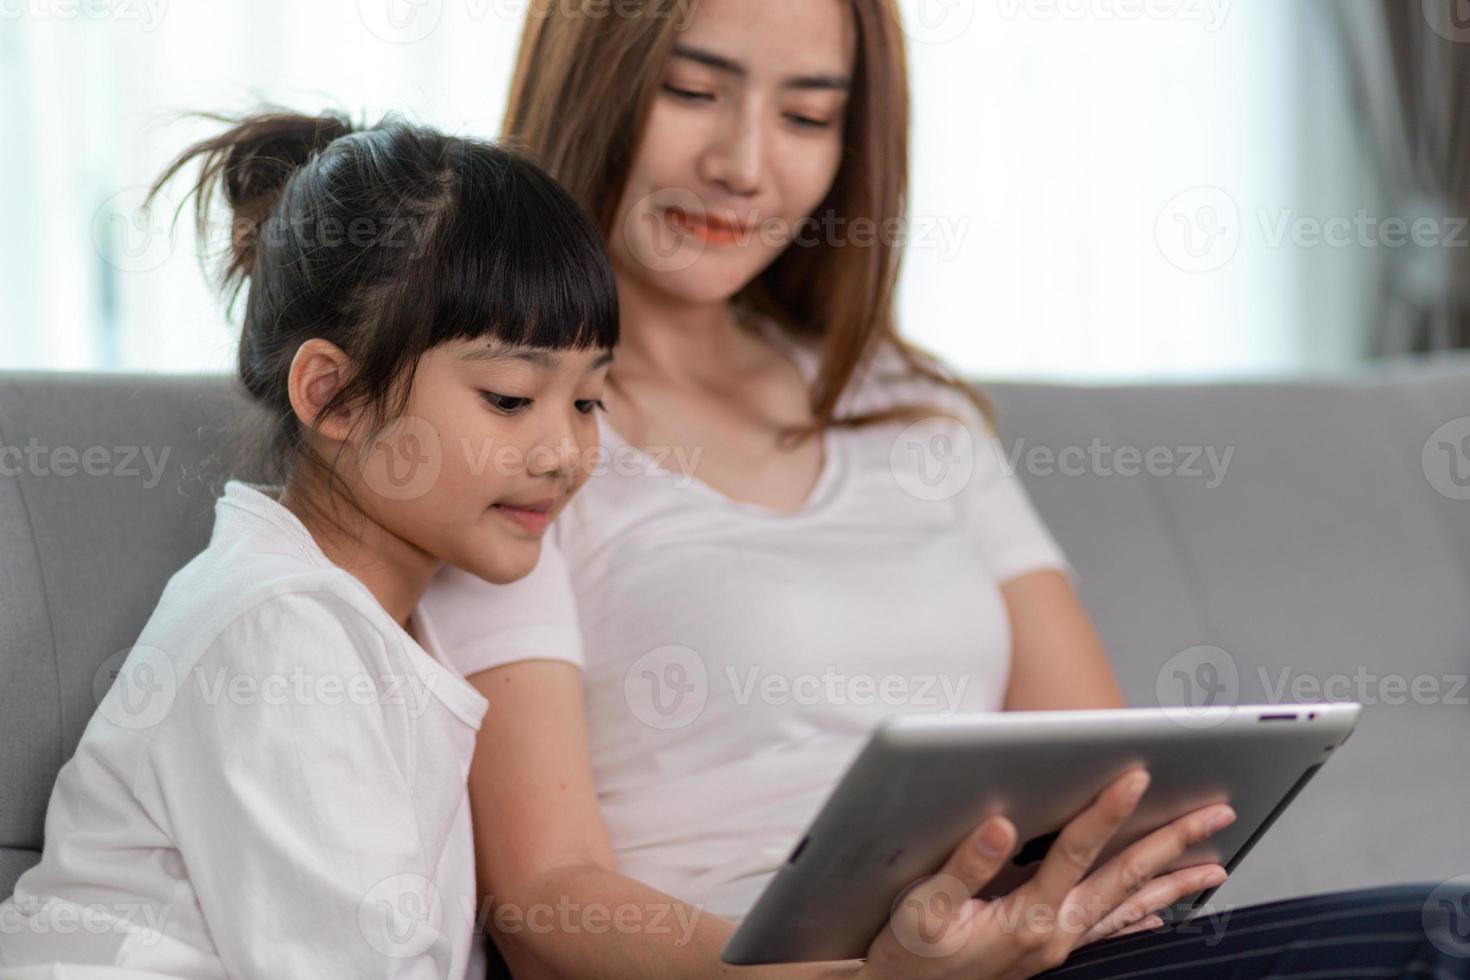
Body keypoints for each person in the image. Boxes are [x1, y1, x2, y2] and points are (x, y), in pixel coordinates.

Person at [417, 0, 1470, 977]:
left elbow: (1107, 770)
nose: (744, 165)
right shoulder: (510, 424)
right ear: (588, 86)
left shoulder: (912, 402)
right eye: (693, 92)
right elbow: (545, 895)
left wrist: (1053, 901)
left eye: (807, 113)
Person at [0, 109, 619, 978]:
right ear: (332, 396)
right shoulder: (280, 635)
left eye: (590, 401)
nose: (567, 453)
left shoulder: (380, 618)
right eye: (512, 398)